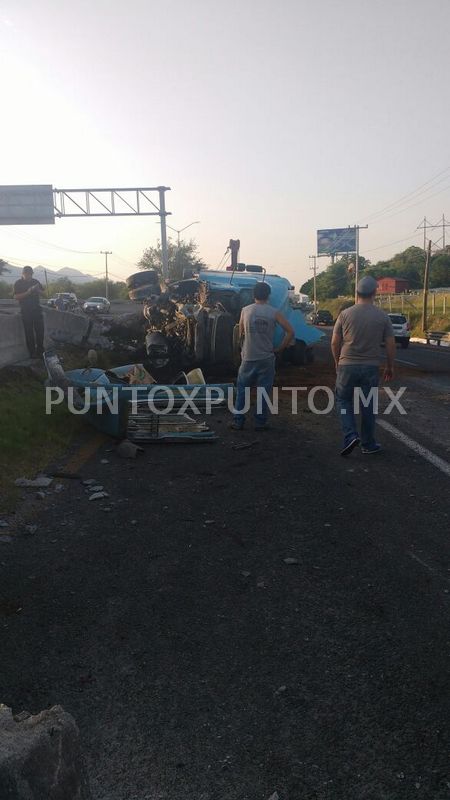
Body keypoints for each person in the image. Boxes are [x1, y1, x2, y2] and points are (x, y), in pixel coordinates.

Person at [331, 275, 396, 456]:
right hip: (370, 367)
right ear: (374, 292)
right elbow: (390, 344)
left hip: (347, 365)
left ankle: (350, 435)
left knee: (343, 400)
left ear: (356, 293)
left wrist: (337, 361)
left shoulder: (345, 314)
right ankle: (368, 443)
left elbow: (335, 342)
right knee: (368, 404)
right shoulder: (382, 316)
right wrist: (390, 366)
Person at [232, 281, 294, 430]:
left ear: (254, 294)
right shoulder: (274, 312)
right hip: (266, 358)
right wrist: (279, 349)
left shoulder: (245, 311)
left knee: (242, 391)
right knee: (263, 392)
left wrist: (240, 350)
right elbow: (290, 332)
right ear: (268, 295)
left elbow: (240, 333)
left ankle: (238, 421)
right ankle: (260, 423)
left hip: (248, 358)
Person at [13, 266, 45, 358]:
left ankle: (41, 351)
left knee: (40, 331)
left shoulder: (36, 282)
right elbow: (16, 297)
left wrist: (38, 290)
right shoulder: (18, 283)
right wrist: (29, 292)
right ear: (22, 274)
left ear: (32, 274)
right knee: (29, 333)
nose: (28, 276)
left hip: (37, 310)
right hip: (26, 311)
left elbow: (44, 294)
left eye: (30, 274)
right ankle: (32, 352)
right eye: (26, 274)